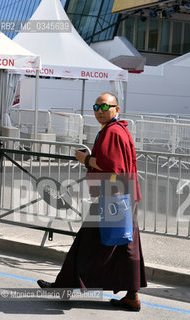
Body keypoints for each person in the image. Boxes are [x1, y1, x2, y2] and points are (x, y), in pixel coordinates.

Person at [37, 92, 147, 311]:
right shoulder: (116, 130)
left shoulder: (113, 132)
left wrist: (85, 159)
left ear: (117, 109)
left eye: (105, 107)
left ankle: (64, 288)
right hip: (123, 195)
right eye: (96, 108)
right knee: (126, 245)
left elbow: (111, 167)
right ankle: (132, 295)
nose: (99, 112)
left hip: (113, 196)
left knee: (87, 244)